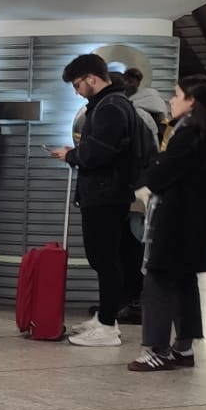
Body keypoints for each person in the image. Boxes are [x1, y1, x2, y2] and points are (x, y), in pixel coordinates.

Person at [51, 54, 151, 347]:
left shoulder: (109, 108)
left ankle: (107, 324)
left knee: (104, 259)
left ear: (91, 79)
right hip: (111, 193)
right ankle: (106, 317)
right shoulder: (115, 104)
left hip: (105, 195)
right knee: (109, 258)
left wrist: (71, 155)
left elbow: (98, 153)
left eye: (77, 84)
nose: (76, 91)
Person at [127, 77, 206, 372]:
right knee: (184, 281)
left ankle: (155, 349)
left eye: (177, 95)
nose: (172, 100)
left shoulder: (188, 132)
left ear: (192, 100)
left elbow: (162, 172)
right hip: (195, 220)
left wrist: (150, 172)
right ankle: (183, 346)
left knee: (157, 280)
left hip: (174, 219)